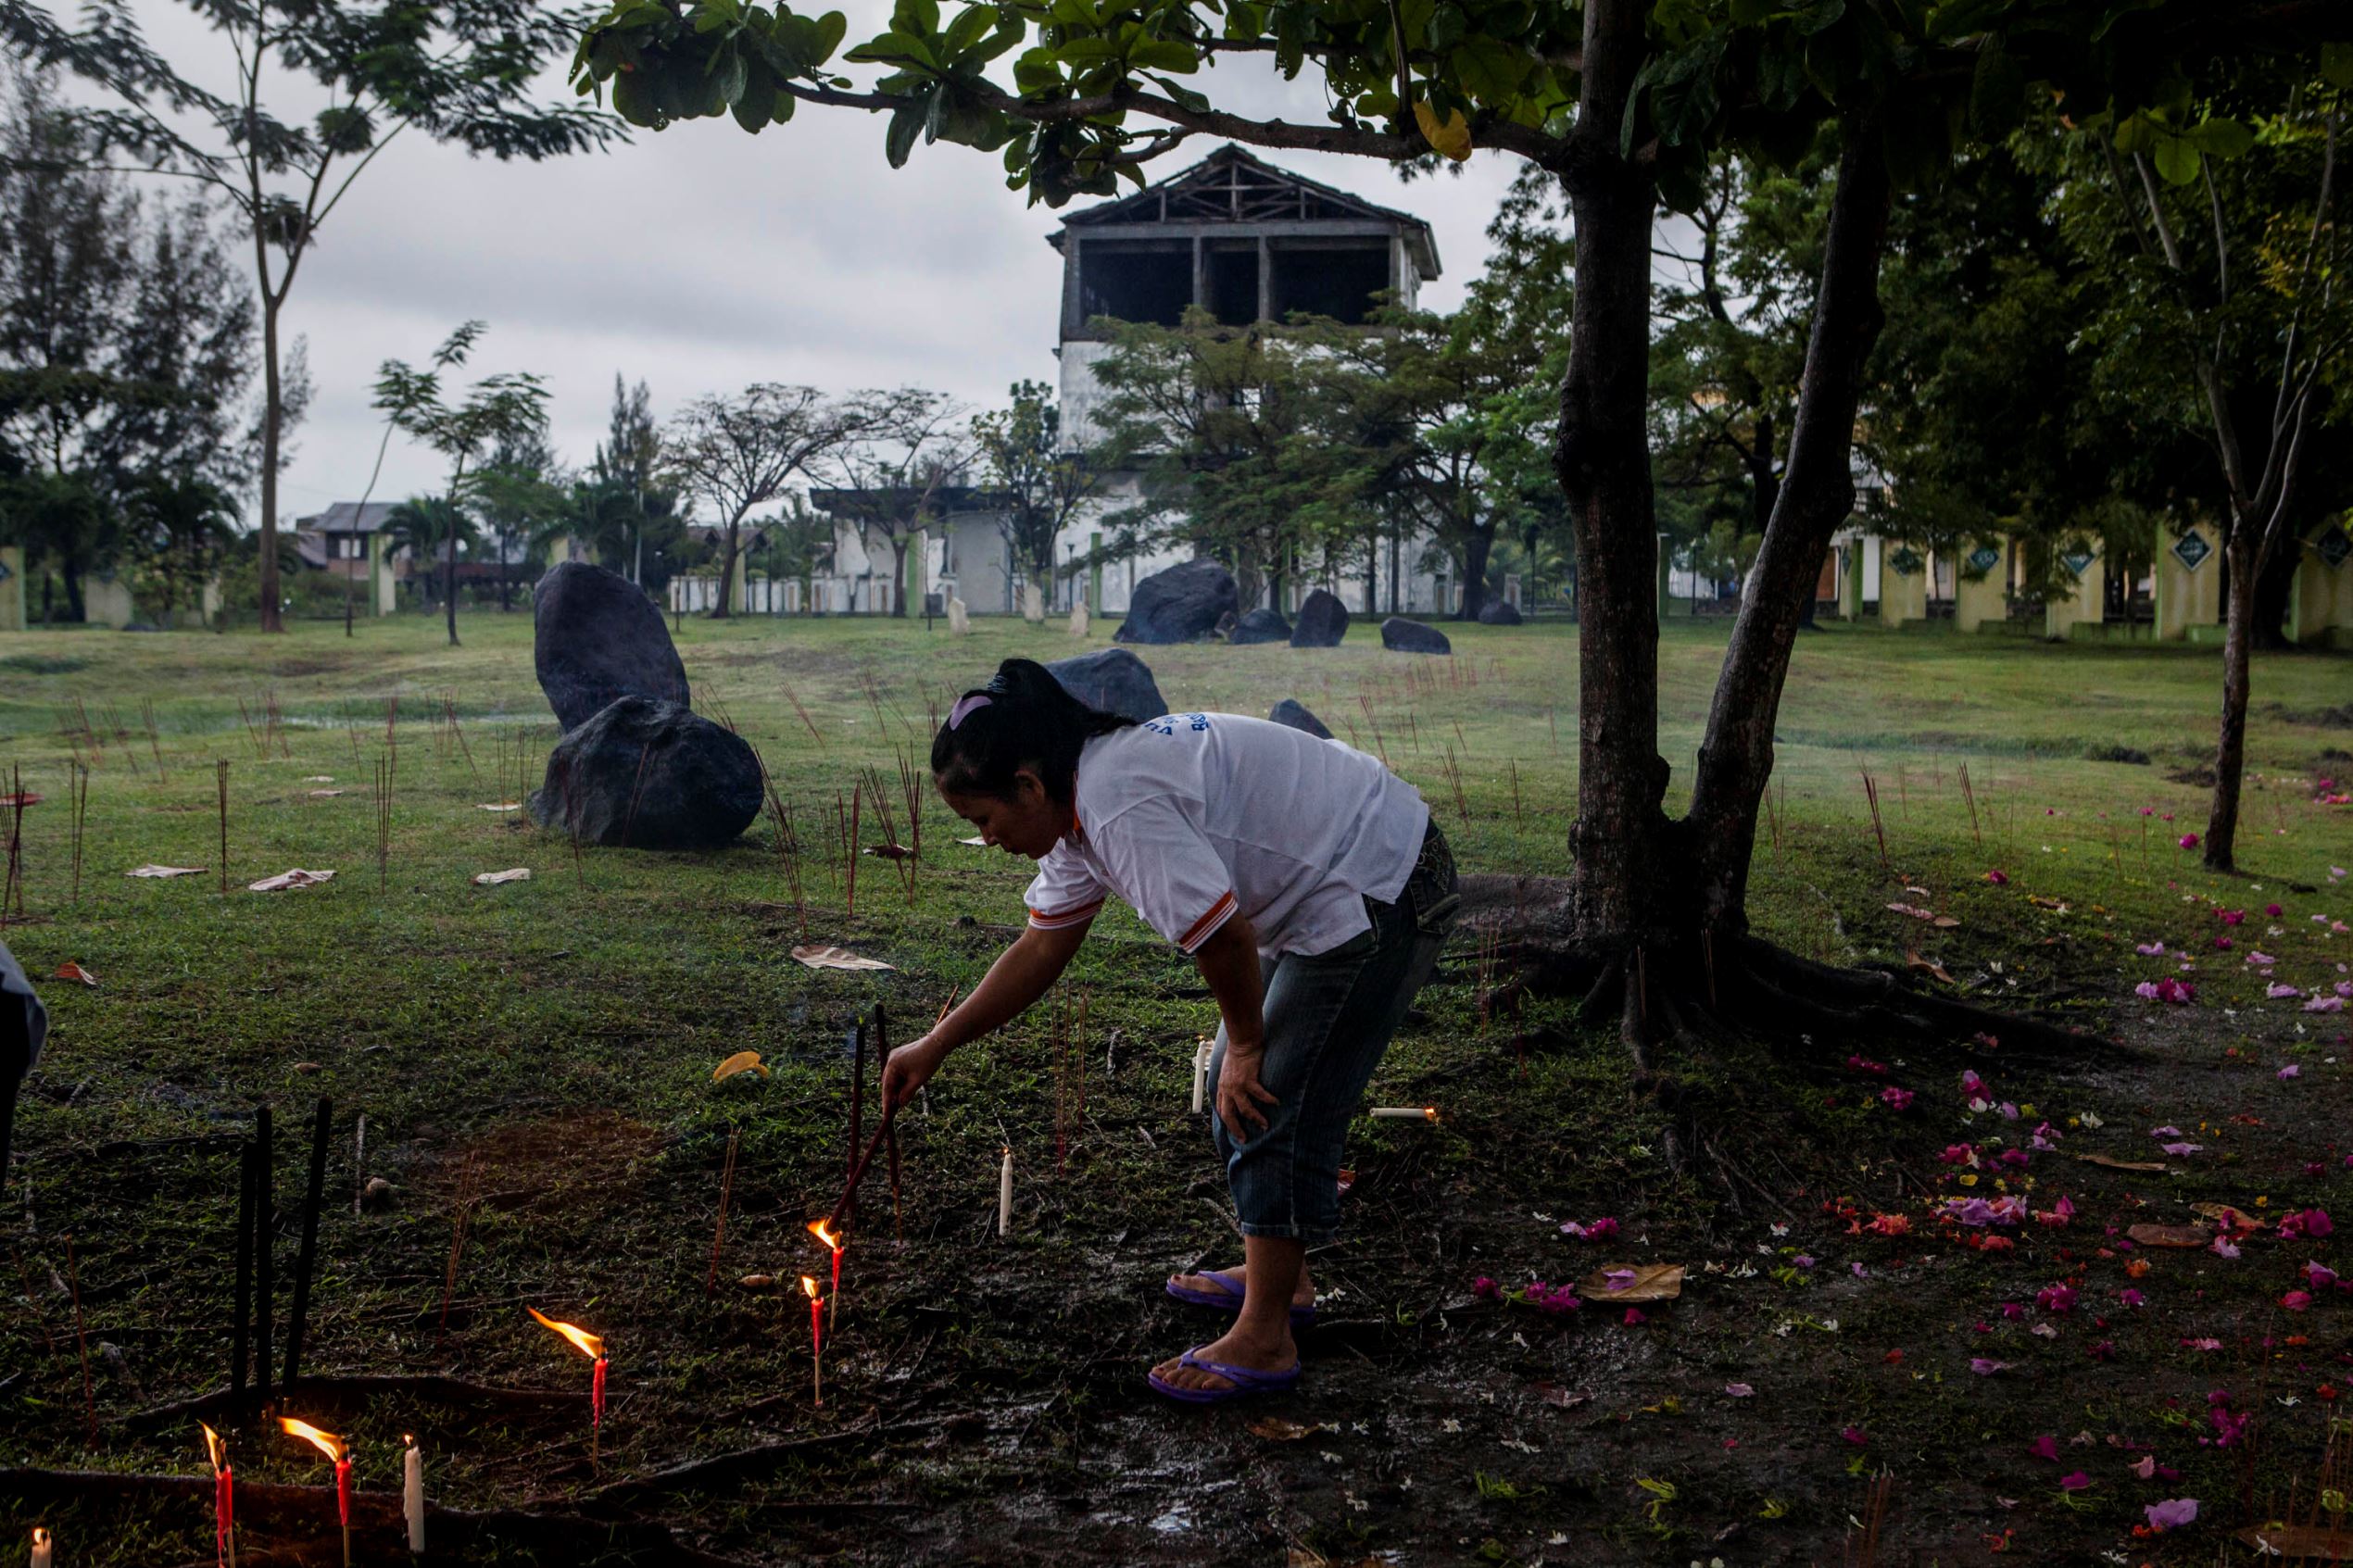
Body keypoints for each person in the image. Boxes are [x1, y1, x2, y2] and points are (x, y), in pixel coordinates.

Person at [881, 659, 1458, 1403]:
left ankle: (1267, 1336)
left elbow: (1222, 938)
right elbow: (1040, 947)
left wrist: (1249, 1046)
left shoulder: (1116, 804)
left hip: (1382, 884)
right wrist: (936, 1044)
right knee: (1239, 1093)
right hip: (1333, 884)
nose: (986, 840)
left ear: (1028, 785)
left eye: (984, 820)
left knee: (1266, 1101)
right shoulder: (1077, 809)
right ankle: (1286, 1278)